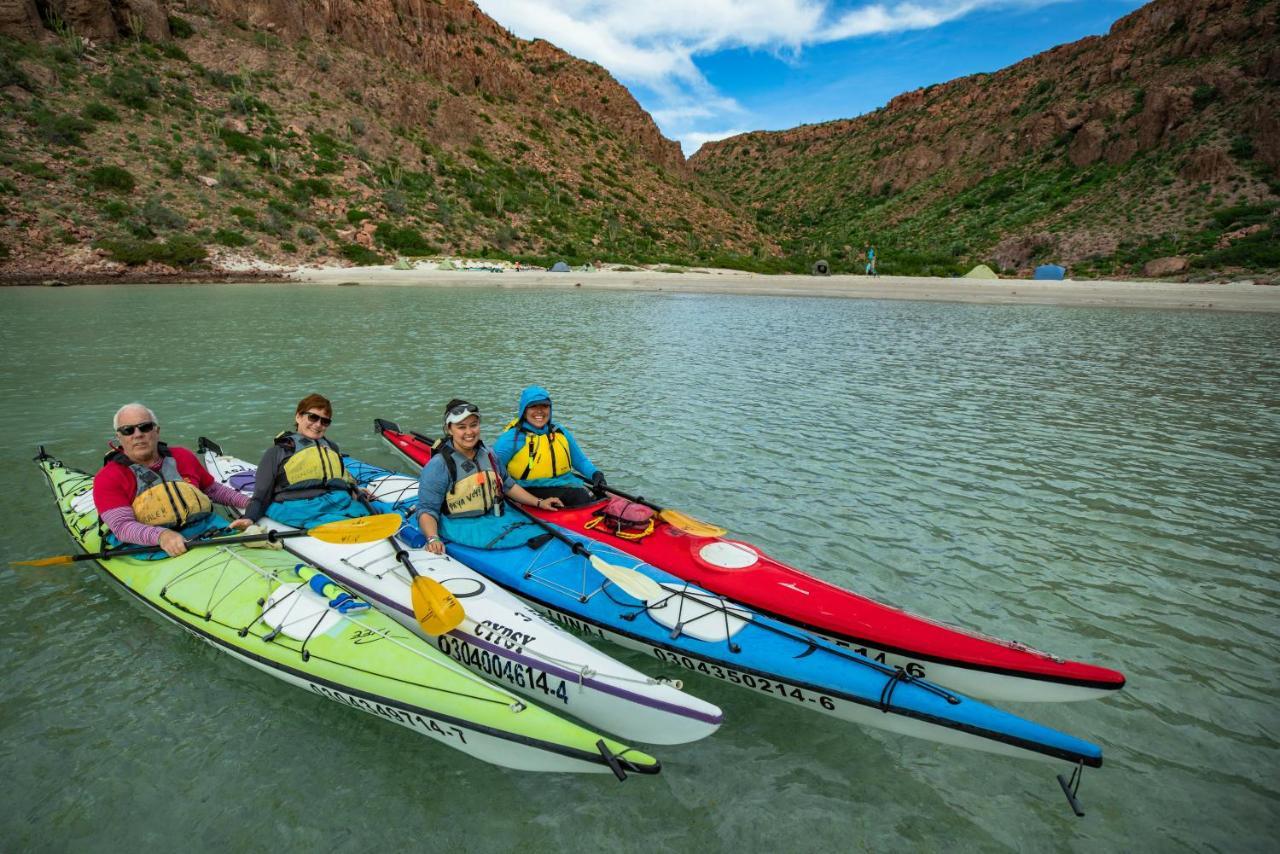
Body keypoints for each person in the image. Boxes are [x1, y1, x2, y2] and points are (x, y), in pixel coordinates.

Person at [93, 403, 252, 557]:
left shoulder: (183, 456)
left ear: (157, 430)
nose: (138, 434)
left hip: (206, 528)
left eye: (145, 427)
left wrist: (250, 504)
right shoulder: (107, 478)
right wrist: (162, 536)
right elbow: (122, 526)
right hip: (149, 545)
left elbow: (213, 490)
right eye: (128, 430)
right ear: (119, 437)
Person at [416, 399, 561, 555]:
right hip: (460, 526)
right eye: (461, 427)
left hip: (494, 519)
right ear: (449, 430)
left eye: (473, 425)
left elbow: (507, 484)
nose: (469, 432)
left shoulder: (489, 454)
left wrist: (539, 503)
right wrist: (433, 538)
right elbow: (427, 509)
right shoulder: (438, 465)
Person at [244, 394, 392, 529]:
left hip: (336, 501)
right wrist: (249, 518)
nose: (318, 424)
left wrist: (355, 490)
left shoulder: (331, 447)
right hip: (297, 506)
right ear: (299, 417)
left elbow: (341, 476)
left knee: (382, 511)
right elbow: (261, 494)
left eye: (325, 421)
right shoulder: (278, 451)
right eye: (313, 417)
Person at [492, 385, 603, 508]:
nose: (539, 411)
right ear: (524, 411)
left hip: (562, 482)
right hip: (527, 487)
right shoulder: (512, 439)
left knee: (599, 494)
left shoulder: (560, 432)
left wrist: (595, 474)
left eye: (544, 406)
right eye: (533, 406)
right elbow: (493, 469)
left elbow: (580, 461)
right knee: (578, 496)